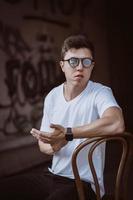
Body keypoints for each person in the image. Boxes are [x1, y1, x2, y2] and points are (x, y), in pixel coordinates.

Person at [0, 34, 125, 200]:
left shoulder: (100, 92)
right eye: (73, 61)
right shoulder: (53, 96)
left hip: (84, 184)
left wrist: (68, 133)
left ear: (92, 66)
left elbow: (116, 124)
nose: (80, 67)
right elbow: (43, 146)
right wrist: (55, 145)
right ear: (62, 66)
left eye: (86, 62)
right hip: (53, 175)